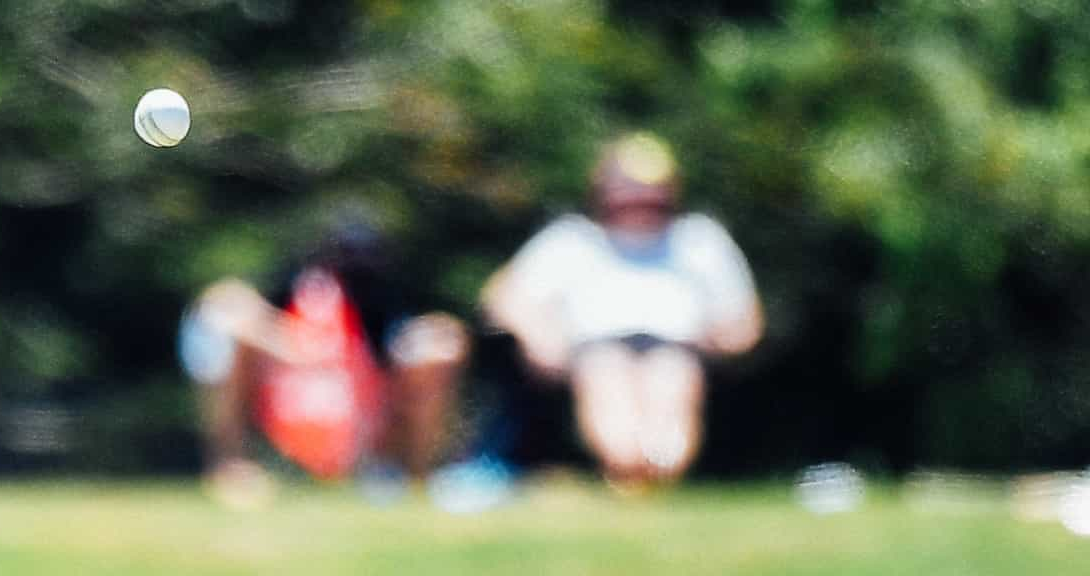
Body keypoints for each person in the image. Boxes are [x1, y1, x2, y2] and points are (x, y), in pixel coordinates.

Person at [480, 133, 762, 490]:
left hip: (675, 349)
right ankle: (627, 469)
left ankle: (655, 476)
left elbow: (744, 320)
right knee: (608, 383)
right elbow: (503, 298)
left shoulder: (699, 240)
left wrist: (725, 339)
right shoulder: (572, 239)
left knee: (670, 387)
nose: (639, 201)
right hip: (594, 350)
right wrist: (538, 334)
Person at [180, 213, 470, 505]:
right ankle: (232, 465)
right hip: (286, 405)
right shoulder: (296, 287)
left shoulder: (383, 299)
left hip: (370, 417)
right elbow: (223, 303)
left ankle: (417, 475)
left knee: (441, 343)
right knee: (230, 317)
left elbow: (417, 343)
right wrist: (296, 347)